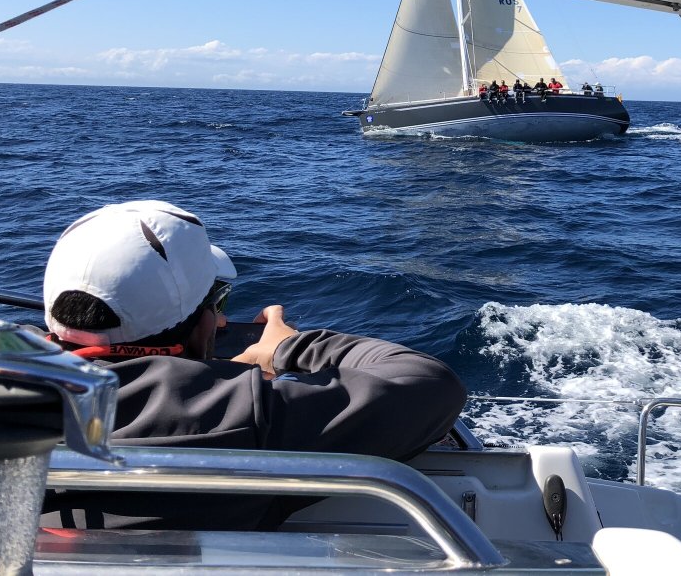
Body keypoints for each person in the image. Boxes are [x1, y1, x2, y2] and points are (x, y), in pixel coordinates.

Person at [39, 200, 466, 531]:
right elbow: (430, 384)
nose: (223, 320)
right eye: (218, 303)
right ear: (204, 325)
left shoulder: (3, 384)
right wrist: (289, 347)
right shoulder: (242, 414)